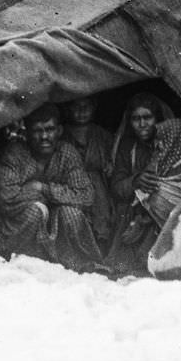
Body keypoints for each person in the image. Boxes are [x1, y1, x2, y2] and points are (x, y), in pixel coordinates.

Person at [105, 92, 181, 274]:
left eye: (147, 117)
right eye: (136, 119)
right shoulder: (128, 147)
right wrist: (135, 181)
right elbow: (116, 187)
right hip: (139, 212)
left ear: (157, 119)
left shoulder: (176, 141)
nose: (142, 124)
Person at [0, 103, 103, 272]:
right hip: (24, 227)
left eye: (50, 129)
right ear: (27, 133)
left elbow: (86, 196)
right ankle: (15, 259)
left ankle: (76, 264)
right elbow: (6, 199)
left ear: (59, 131)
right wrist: (47, 202)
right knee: (36, 212)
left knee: (71, 214)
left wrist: (42, 189)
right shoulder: (15, 154)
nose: (44, 136)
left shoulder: (67, 153)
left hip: (59, 226)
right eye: (38, 130)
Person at [62, 96, 115, 250]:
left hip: (98, 183)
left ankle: (101, 247)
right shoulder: (62, 133)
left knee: (102, 215)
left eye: (87, 107)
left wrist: (109, 165)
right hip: (72, 183)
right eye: (76, 107)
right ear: (68, 109)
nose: (82, 111)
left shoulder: (101, 134)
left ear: (94, 107)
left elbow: (112, 156)